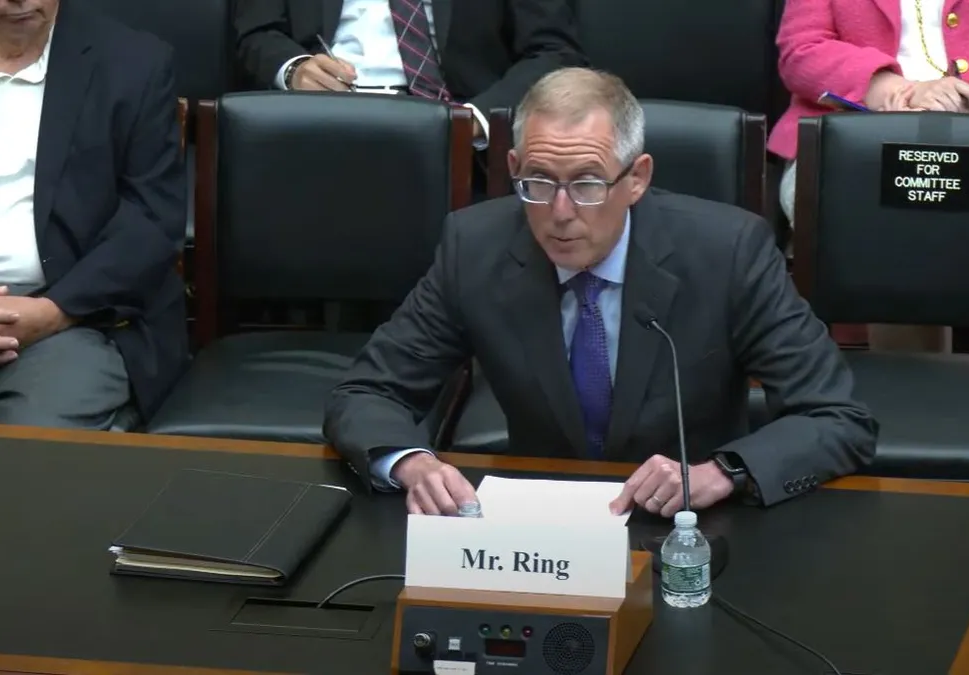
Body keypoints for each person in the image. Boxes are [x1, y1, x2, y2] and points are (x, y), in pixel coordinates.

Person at [325, 68, 878, 518]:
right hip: (540, 522)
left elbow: (836, 418)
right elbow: (370, 391)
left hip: (691, 527)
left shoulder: (730, 251)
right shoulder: (475, 246)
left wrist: (722, 473)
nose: (560, 214)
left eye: (588, 184)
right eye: (538, 182)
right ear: (513, 167)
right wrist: (411, 463)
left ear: (636, 178)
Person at [770, 0, 969, 362]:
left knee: (947, 203)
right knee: (890, 214)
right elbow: (801, 50)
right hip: (853, 136)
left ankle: (920, 395)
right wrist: (899, 91)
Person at [0, 0, 188, 429]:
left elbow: (152, 221)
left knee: (26, 452)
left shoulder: (132, 64)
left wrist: (53, 311)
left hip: (81, 321)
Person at [234, 0, 587, 148]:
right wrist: (295, 69)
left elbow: (553, 52)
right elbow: (256, 33)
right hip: (326, 113)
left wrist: (478, 119)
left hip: (458, 123)